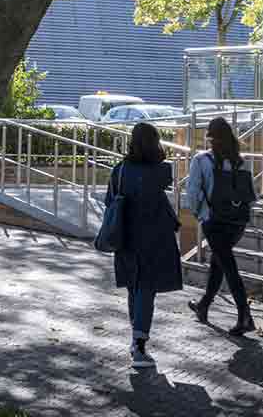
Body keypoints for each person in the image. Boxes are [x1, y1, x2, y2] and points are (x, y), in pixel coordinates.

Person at [106, 122, 182, 371]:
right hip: (153, 239)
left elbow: (109, 201)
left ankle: (136, 338)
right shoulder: (160, 171)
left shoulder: (119, 170)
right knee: (146, 289)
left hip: (125, 237)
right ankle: (138, 345)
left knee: (133, 287)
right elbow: (163, 180)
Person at [184, 114, 257, 336]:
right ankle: (204, 305)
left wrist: (198, 213)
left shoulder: (201, 160)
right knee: (219, 261)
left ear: (210, 136)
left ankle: (245, 315)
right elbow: (249, 193)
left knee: (228, 266)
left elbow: (193, 192)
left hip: (214, 220)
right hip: (237, 221)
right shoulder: (242, 161)